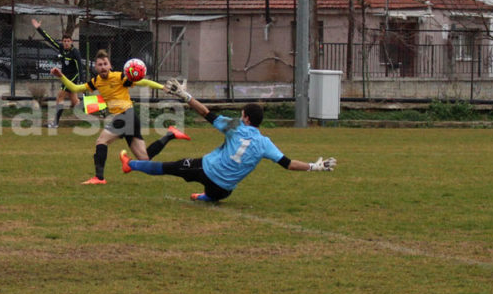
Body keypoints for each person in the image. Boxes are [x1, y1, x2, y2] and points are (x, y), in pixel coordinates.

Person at [119, 79, 337, 202]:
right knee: (213, 192)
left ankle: (131, 165)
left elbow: (207, 113)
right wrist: (313, 166)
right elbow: (288, 164)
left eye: (242, 113)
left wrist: (185, 97)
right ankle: (205, 197)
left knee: (167, 167)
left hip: (205, 170)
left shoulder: (235, 127)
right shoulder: (265, 142)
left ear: (246, 118)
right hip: (224, 190)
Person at [51, 50, 190, 185]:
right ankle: (170, 134)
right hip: (129, 117)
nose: (103, 67)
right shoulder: (95, 81)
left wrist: (162, 87)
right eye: (100, 64)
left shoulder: (119, 77)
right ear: (96, 67)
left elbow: (143, 82)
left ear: (110, 65)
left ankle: (99, 178)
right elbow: (75, 88)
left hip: (125, 115)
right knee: (144, 158)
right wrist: (61, 76)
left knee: (101, 141)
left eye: (105, 64)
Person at [31, 18, 82, 128]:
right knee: (75, 102)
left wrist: (81, 81)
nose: (66, 43)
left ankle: (55, 123)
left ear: (71, 42)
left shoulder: (75, 52)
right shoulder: (61, 48)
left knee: (59, 97)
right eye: (65, 41)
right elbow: (49, 39)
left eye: (68, 41)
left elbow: (80, 67)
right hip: (65, 77)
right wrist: (39, 28)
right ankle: (98, 107)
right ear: (62, 42)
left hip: (72, 78)